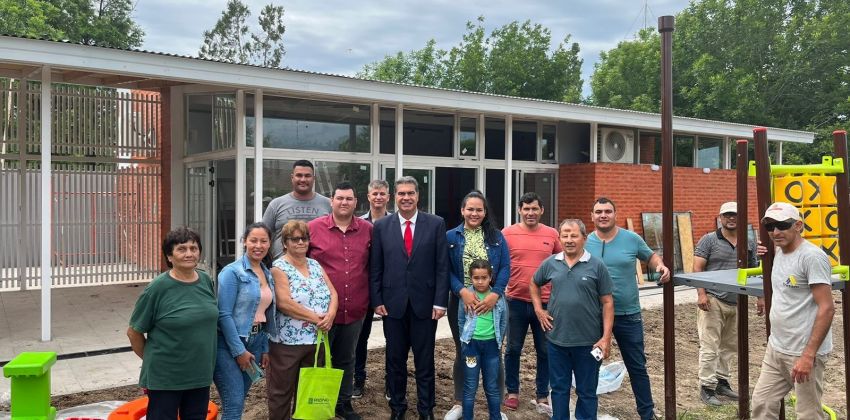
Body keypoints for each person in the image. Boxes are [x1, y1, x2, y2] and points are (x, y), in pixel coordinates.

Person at [370, 176, 449, 420]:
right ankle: (398, 408)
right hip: (392, 306)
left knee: (425, 363)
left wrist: (440, 301)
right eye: (401, 193)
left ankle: (426, 410)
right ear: (395, 196)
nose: (406, 197)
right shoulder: (382, 226)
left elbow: (442, 267)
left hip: (425, 306)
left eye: (410, 193)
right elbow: (376, 268)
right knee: (395, 361)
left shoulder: (435, 224)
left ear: (418, 196)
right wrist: (377, 300)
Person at [584, 197, 670, 420]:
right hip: (592, 315)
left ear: (615, 214)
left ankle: (646, 412)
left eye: (608, 211)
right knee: (590, 365)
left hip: (627, 314)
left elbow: (650, 256)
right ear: (592, 216)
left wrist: (659, 265)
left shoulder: (631, 239)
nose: (603, 215)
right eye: (599, 212)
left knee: (637, 366)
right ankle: (588, 414)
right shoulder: (585, 242)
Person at [751, 202, 835, 419]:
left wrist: (808, 355)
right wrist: (765, 255)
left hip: (803, 351)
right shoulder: (777, 251)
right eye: (770, 227)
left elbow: (827, 308)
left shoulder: (811, 257)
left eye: (782, 225)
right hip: (777, 347)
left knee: (807, 413)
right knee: (762, 403)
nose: (776, 232)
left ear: (798, 225)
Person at [127, 227, 217, 420]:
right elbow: (134, 332)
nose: (189, 254)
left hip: (199, 375)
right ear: (169, 256)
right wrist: (155, 362)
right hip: (166, 379)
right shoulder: (158, 288)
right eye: (181, 249)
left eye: (193, 248)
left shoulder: (205, 280)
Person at [530, 219, 614, 420]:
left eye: (574, 235)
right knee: (559, 389)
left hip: (588, 342)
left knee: (586, 391)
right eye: (565, 235)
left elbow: (608, 303)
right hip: (557, 340)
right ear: (559, 238)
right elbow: (534, 283)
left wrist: (606, 338)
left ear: (584, 238)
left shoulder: (596, 266)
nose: (569, 240)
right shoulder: (551, 263)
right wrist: (539, 310)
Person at [308, 181, 373, 420]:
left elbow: (374, 266)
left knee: (347, 358)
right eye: (340, 198)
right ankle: (318, 402)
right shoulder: (313, 228)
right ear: (331, 201)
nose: (344, 202)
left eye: (349, 199)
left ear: (356, 202)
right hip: (321, 312)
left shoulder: (367, 229)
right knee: (320, 358)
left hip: (355, 308)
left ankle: (343, 403)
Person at [444, 190, 509, 420]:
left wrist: (496, 294)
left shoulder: (497, 238)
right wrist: (462, 292)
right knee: (463, 350)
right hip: (462, 303)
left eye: (479, 209)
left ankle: (496, 406)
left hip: (495, 304)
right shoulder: (451, 237)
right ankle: (461, 402)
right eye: (469, 209)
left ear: (485, 212)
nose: (474, 213)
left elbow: (504, 269)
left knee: (495, 351)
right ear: (462, 210)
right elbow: (447, 270)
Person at [267, 220, 339, 420]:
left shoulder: (315, 264)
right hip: (288, 344)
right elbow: (284, 303)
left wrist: (331, 315)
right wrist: (318, 319)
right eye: (295, 239)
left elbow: (333, 293)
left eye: (304, 238)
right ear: (285, 243)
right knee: (281, 393)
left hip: (316, 341)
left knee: (309, 393)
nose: (300, 242)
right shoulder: (278, 267)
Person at [501, 192, 561, 415]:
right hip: (515, 301)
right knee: (513, 349)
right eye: (526, 209)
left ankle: (542, 393)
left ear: (542, 210)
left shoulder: (552, 234)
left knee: (545, 350)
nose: (530, 213)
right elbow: (499, 263)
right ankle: (512, 391)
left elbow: (563, 263)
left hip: (545, 304)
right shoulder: (507, 234)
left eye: (534, 208)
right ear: (519, 210)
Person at [693, 202, 758, 406]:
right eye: (727, 215)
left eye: (735, 215)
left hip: (737, 301)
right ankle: (707, 387)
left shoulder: (748, 242)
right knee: (710, 345)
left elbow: (754, 270)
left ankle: (721, 382)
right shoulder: (709, 241)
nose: (731, 219)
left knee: (729, 346)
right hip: (713, 300)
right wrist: (701, 293)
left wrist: (760, 297)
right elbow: (697, 267)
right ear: (720, 218)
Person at [213, 222, 277, 420]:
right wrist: (239, 351)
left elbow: (265, 314)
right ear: (244, 242)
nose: (258, 245)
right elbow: (223, 314)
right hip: (229, 343)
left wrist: (265, 347)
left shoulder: (267, 272)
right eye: (253, 240)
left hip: (257, 342)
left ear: (269, 244)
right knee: (234, 403)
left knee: (240, 399)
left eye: (263, 241)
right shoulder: (232, 272)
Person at [354, 179, 391, 399]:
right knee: (361, 338)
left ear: (388, 197)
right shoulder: (358, 223)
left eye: (382, 194)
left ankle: (391, 381)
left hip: (390, 289)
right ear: (368, 197)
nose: (378, 197)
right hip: (363, 289)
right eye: (374, 193)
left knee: (393, 338)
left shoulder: (395, 222)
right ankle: (358, 380)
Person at [458, 259, 508, 420]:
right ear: (470, 278)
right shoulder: (466, 296)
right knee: (470, 386)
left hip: (492, 347)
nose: (480, 282)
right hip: (471, 347)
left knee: (492, 386)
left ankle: (495, 417)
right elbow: (460, 320)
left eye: (484, 278)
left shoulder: (497, 298)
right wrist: (464, 341)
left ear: (490, 277)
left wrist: (498, 341)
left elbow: (503, 321)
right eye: (476, 278)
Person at [262, 160, 331, 260]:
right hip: (281, 269)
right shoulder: (276, 204)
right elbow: (263, 236)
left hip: (318, 269)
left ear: (314, 179)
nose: (303, 179)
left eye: (307, 176)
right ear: (292, 177)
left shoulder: (328, 204)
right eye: (299, 175)